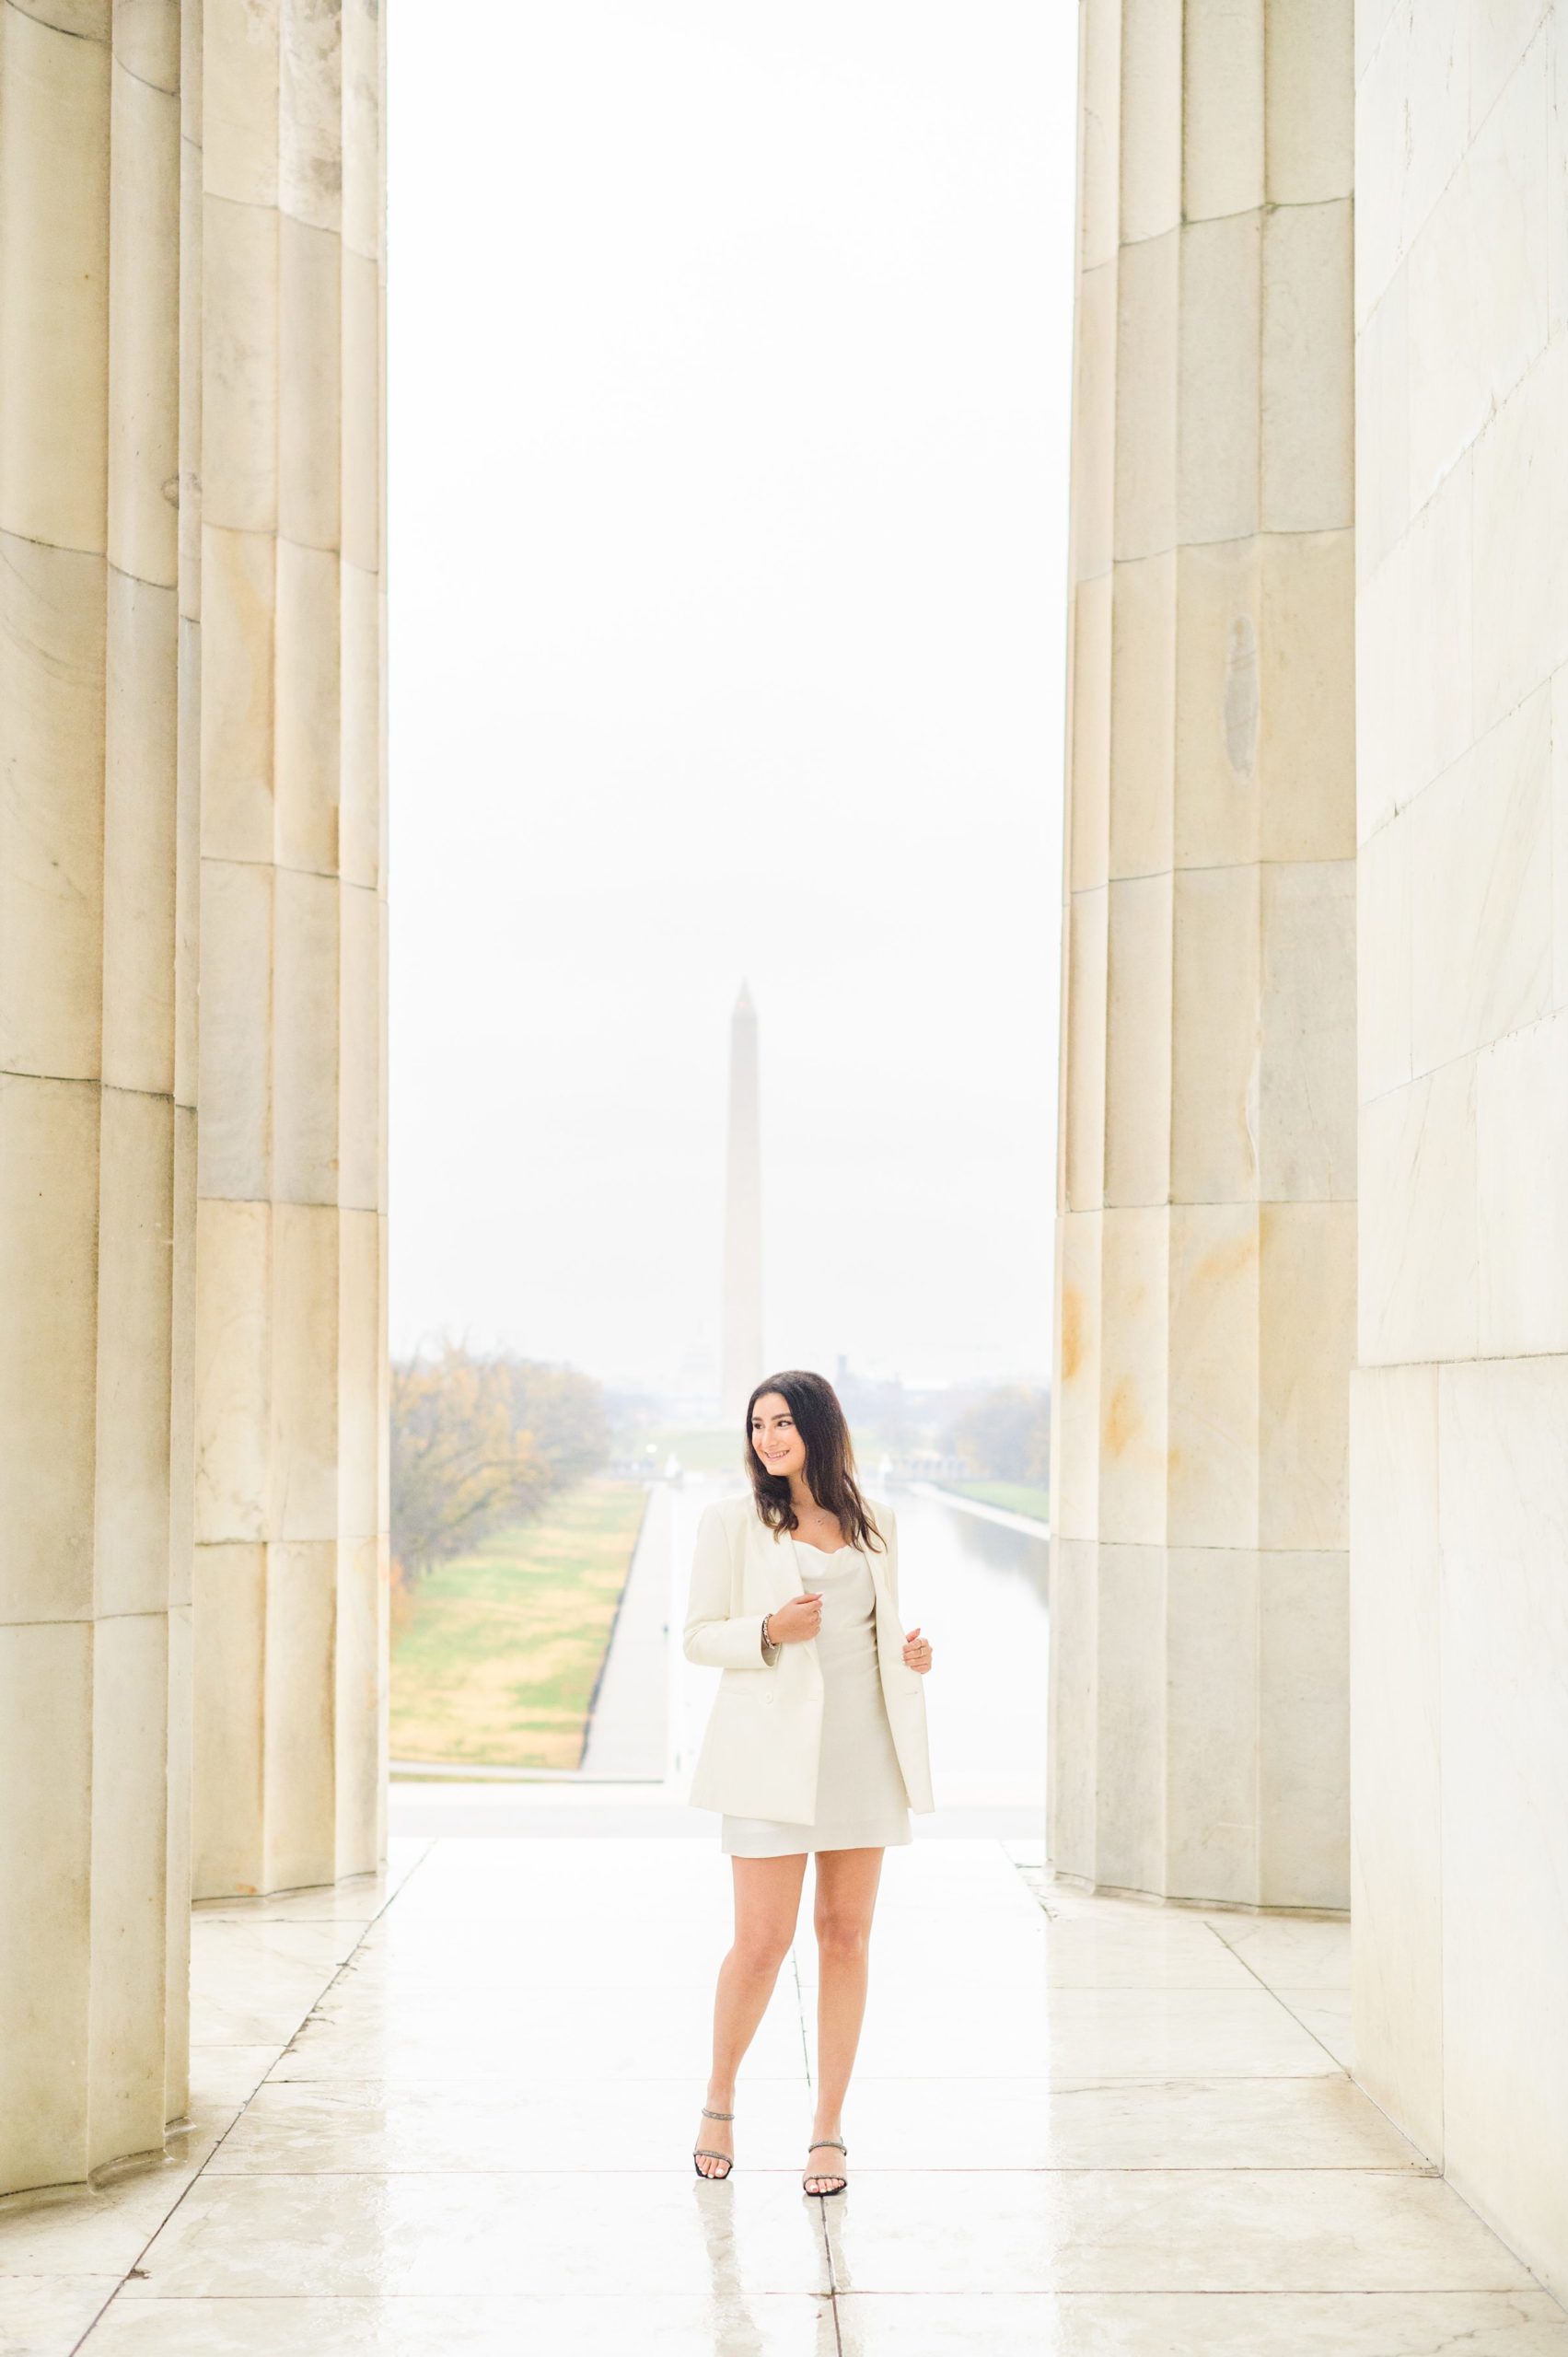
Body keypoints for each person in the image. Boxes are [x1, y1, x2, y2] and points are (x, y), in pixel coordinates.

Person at [681, 1368, 935, 2196]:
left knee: (845, 1937)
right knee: (760, 1945)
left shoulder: (876, 1522)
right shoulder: (730, 1524)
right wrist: (767, 1629)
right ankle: (718, 2099)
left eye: (783, 1422)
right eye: (757, 1425)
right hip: (768, 1762)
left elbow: (878, 1634)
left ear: (819, 1429)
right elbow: (696, 1637)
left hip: (863, 1756)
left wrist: (913, 1656)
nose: (768, 1438)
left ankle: (827, 2128)